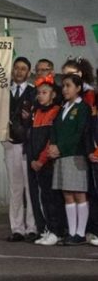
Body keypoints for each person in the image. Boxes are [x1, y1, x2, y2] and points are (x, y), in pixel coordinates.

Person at [48, 74, 91, 245]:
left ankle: (80, 233)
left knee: (79, 194)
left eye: (68, 85)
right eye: (63, 86)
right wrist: (52, 145)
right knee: (67, 194)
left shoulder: (83, 108)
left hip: (75, 155)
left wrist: (61, 147)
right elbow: (55, 129)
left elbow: (79, 133)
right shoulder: (62, 107)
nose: (64, 89)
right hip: (61, 156)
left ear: (78, 88)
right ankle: (71, 232)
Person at [25, 76, 65, 245]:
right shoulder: (37, 113)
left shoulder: (56, 111)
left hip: (47, 163)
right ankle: (48, 228)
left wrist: (41, 160)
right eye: (39, 93)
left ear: (53, 95)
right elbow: (31, 138)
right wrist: (32, 160)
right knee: (43, 198)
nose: (40, 96)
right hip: (35, 163)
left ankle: (57, 231)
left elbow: (51, 140)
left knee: (52, 198)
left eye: (45, 93)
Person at [4, 57, 37, 242]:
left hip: (28, 145)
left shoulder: (34, 92)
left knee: (30, 188)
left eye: (23, 69)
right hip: (10, 144)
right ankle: (17, 228)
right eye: (16, 68)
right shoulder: (3, 92)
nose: (19, 72)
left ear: (28, 71)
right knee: (15, 188)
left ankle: (32, 227)